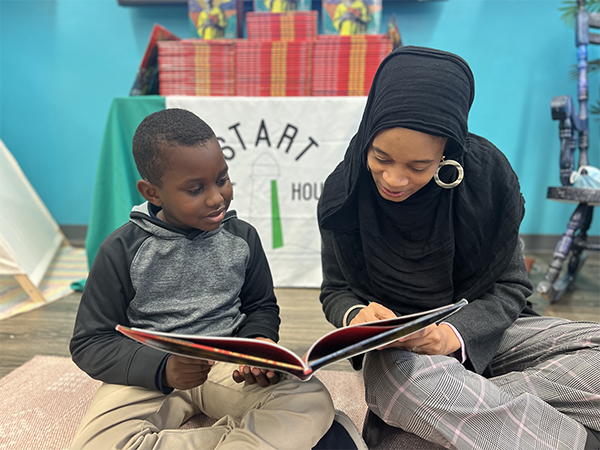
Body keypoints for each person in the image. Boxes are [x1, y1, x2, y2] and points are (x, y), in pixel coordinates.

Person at [317, 46, 600, 450]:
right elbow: (335, 291)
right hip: (405, 361)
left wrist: (453, 335)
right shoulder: (343, 193)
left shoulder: (487, 178)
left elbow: (511, 288)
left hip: (490, 337)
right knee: (398, 383)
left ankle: (435, 418)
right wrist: (356, 315)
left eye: (418, 167)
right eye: (381, 157)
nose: (394, 179)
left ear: (447, 152)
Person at [69, 108, 366, 450]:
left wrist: (259, 344)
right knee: (94, 444)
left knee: (310, 398)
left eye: (222, 179)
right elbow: (90, 342)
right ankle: (277, 441)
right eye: (195, 189)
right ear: (152, 193)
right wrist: (163, 368)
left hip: (228, 367)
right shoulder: (121, 249)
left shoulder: (242, 239)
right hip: (150, 372)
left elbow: (261, 307)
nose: (216, 198)